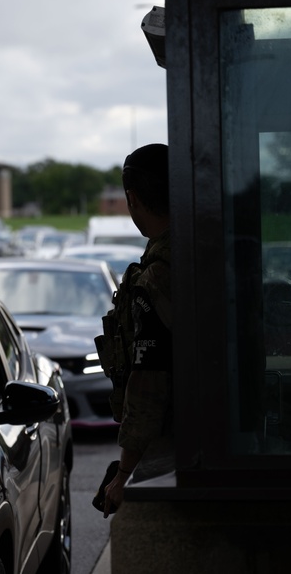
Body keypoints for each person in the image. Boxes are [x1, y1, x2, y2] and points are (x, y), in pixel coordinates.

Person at [100, 143, 173, 516]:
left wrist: (126, 471)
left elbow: (149, 377)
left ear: (132, 198)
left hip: (174, 442)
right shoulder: (198, 247)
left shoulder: (158, 275)